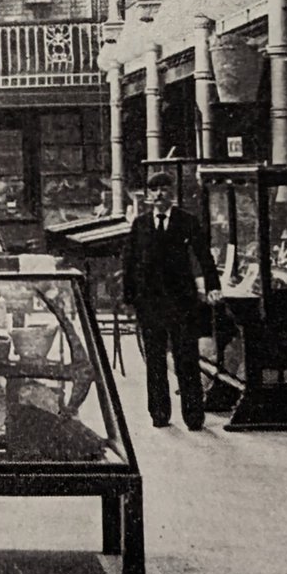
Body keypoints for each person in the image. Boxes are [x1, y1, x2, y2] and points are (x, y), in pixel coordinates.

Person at [121, 172, 222, 429]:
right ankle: (159, 414)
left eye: (164, 189)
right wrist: (130, 297)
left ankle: (193, 417)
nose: (159, 195)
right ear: (147, 195)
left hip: (182, 303)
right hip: (150, 304)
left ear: (172, 193)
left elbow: (204, 255)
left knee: (186, 359)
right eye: (154, 190)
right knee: (154, 360)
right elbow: (129, 262)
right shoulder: (140, 224)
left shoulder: (187, 221)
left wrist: (213, 286)